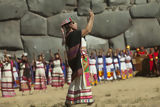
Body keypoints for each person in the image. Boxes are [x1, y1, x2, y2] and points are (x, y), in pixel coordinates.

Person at [61, 10, 94, 106]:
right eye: (74, 22)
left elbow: (88, 29)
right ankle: (86, 98)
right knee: (81, 78)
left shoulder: (70, 35)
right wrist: (92, 18)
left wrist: (91, 19)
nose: (76, 23)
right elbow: (88, 30)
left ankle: (71, 100)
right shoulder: (73, 34)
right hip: (81, 58)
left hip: (81, 58)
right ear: (70, 25)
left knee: (78, 79)